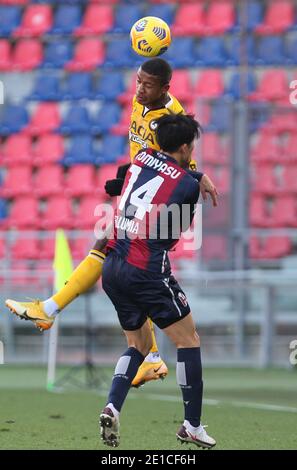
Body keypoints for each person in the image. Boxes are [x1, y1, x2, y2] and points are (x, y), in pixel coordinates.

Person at [5, 58, 218, 388]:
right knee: (115, 253)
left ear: (165, 88)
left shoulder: (168, 117)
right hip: (139, 186)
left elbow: (179, 164)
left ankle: (53, 309)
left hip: (154, 202)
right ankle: (148, 357)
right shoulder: (140, 100)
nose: (139, 89)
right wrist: (126, 176)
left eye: (147, 85)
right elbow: (142, 152)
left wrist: (199, 175)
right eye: (138, 81)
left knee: (114, 250)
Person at [99, 113, 216, 449]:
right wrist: (198, 178)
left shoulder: (141, 157)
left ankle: (111, 406)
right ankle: (192, 425)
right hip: (146, 269)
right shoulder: (188, 186)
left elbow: (147, 175)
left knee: (137, 345)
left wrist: (198, 174)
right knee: (188, 340)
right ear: (185, 146)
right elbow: (173, 233)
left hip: (113, 265)